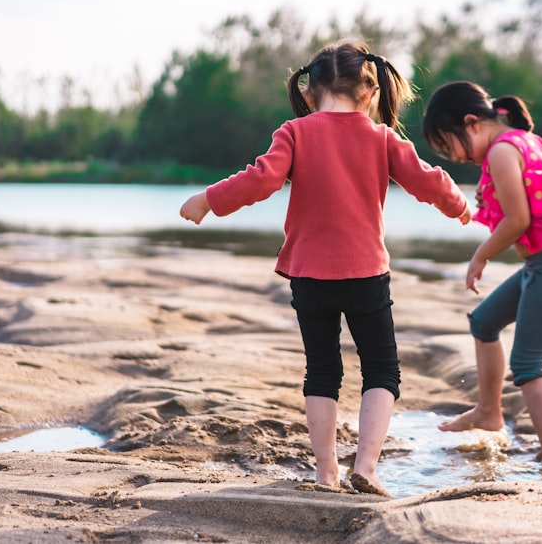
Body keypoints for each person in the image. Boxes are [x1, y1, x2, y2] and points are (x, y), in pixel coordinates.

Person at [180, 40, 471, 497]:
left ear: (310, 92)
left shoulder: (294, 132)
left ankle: (326, 473)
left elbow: (261, 179)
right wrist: (456, 204)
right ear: (371, 92)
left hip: (308, 274)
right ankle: (368, 468)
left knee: (321, 371)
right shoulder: (382, 138)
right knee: (381, 371)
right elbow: (424, 179)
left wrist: (208, 199)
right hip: (366, 273)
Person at [421, 81, 542, 467]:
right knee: (484, 322)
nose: (454, 157)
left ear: (472, 122)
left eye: (450, 144)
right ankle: (488, 411)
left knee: (529, 366)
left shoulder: (501, 151)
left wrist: (479, 256)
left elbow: (519, 221)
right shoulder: (522, 140)